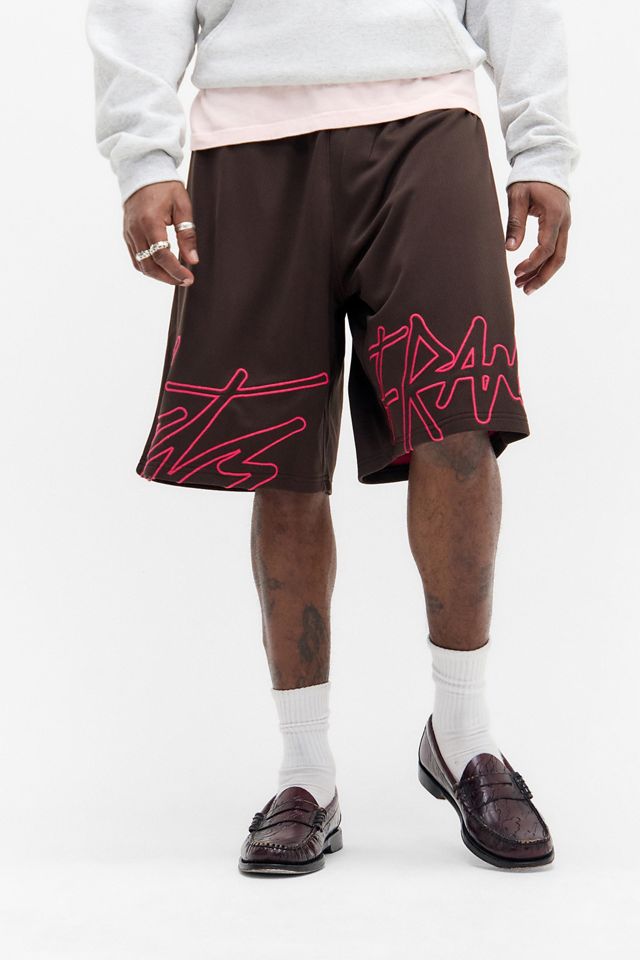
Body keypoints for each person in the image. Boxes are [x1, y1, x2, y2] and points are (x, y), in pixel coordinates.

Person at [85, 0, 579, 875]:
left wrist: (541, 146)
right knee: (281, 459)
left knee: (461, 422)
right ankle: (305, 771)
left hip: (428, 119)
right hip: (249, 137)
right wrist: (142, 157)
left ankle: (464, 735)